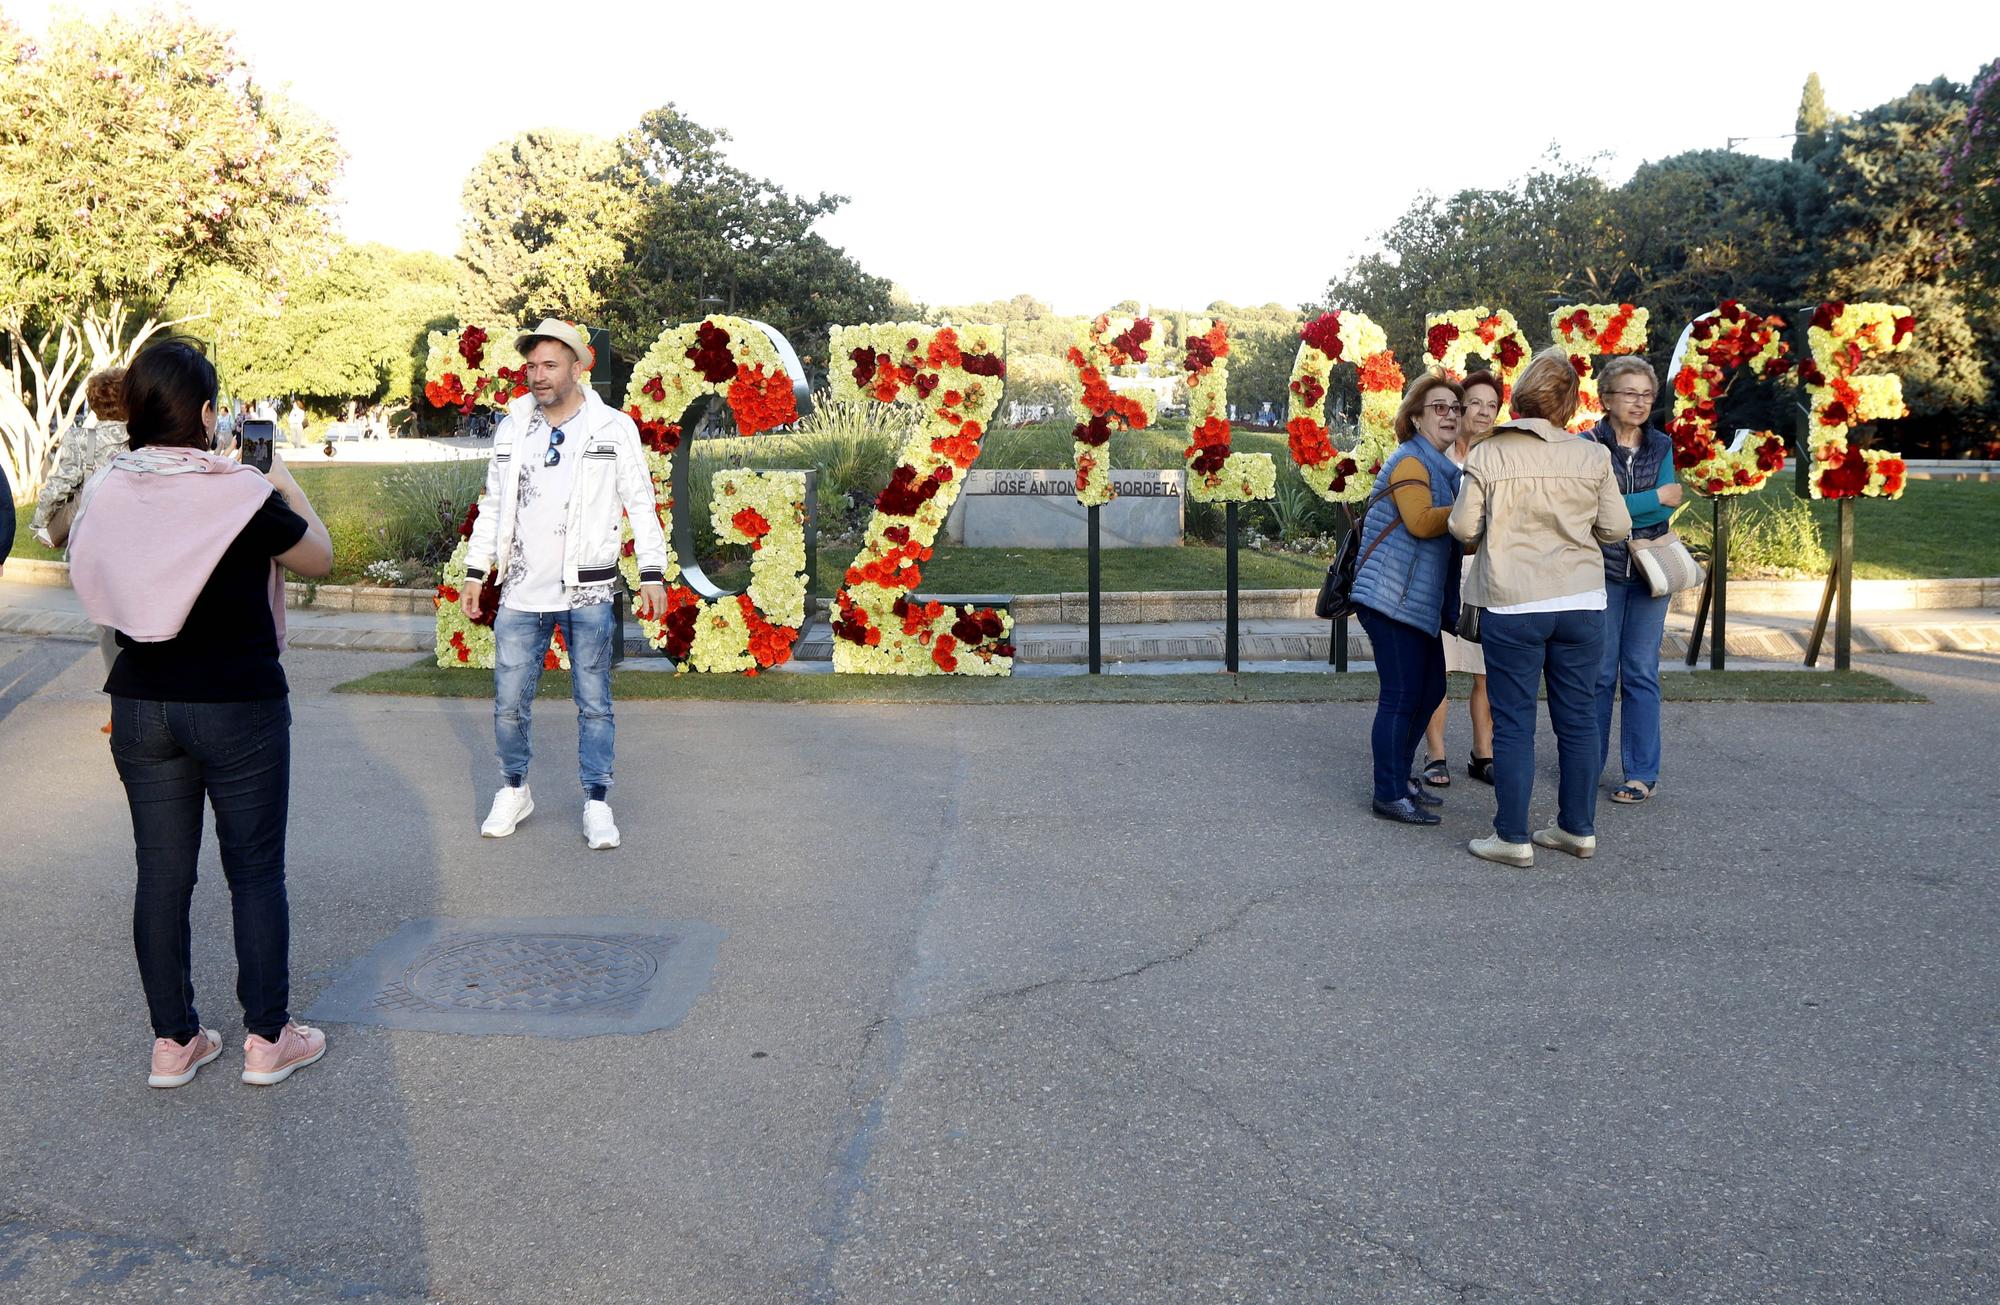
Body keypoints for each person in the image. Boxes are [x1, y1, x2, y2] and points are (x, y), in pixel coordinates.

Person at [65, 338, 336, 1088]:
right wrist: (275, 476)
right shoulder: (238, 494)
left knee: (161, 874)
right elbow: (320, 555)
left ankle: (173, 1042)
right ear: (210, 413)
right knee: (254, 873)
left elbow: (78, 554)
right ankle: (267, 1038)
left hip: (141, 697)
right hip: (238, 702)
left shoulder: (110, 486)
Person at [459, 318, 669, 849]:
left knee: (594, 701)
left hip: (589, 590)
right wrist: (475, 570)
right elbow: (493, 505)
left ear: (578, 369)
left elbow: (640, 503)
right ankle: (514, 788)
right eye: (531, 365)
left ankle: (597, 802)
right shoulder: (513, 428)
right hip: (522, 592)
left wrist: (651, 571)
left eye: (549, 365)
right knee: (509, 703)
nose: (537, 375)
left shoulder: (613, 428)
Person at [1448, 349, 1632, 868]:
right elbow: (1617, 528)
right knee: (1578, 720)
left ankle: (1512, 835)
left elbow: (1463, 528)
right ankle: (1577, 828)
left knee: (1513, 723)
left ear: (1520, 396)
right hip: (1580, 600)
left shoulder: (1490, 452)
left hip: (1513, 600)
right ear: (1571, 404)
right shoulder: (1591, 455)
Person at [1351, 372, 1466, 825]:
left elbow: (1459, 536)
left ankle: (1399, 776)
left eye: (1455, 408)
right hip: (1389, 597)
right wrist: (1472, 509)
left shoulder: (1444, 469)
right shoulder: (1410, 463)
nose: (1450, 415)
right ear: (1416, 417)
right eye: (1439, 407)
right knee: (1400, 695)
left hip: (1414, 602)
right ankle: (1389, 791)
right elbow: (1420, 522)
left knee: (1432, 687)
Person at [1590, 356, 1680, 804]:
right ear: (1606, 398)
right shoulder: (1587, 445)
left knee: (1642, 672)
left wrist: (1632, 504)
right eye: (1630, 393)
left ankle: (1641, 773)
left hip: (1651, 576)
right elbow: (1592, 508)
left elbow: (1670, 504)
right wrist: (1650, 499)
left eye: (1647, 394)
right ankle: (1589, 765)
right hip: (1601, 571)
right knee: (1600, 675)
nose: (1640, 402)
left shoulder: (1662, 445)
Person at [33, 368, 136, 726]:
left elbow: (59, 485)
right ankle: (147, 696)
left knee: (108, 626)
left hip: (96, 545)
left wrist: (41, 524)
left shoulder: (81, 439)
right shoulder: (144, 436)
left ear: (94, 401)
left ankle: (120, 706)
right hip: (140, 541)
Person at [1422, 370, 1500, 788]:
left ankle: (1482, 752)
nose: (1484, 412)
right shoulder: (1438, 456)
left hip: (1488, 574)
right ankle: (1436, 754)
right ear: (1459, 407)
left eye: (1493, 405)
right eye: (1475, 403)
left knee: (1485, 672)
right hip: (1442, 572)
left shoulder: (1503, 454)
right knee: (1441, 667)